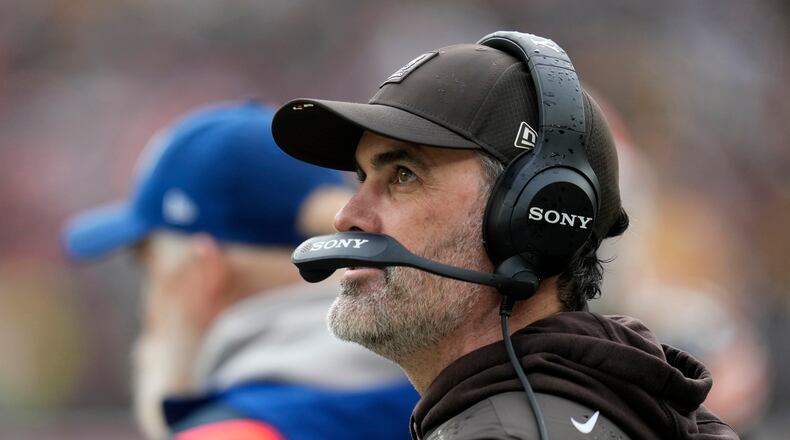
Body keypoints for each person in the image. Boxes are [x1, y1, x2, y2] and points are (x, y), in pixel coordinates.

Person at [270, 32, 739, 439]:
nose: (347, 217)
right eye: (361, 180)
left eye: (404, 175)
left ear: (531, 218)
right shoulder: (611, 406)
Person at [62, 102, 418, 440]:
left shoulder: (226, 433)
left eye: (151, 272)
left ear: (206, 273)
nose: (149, 307)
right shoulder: (447, 395)